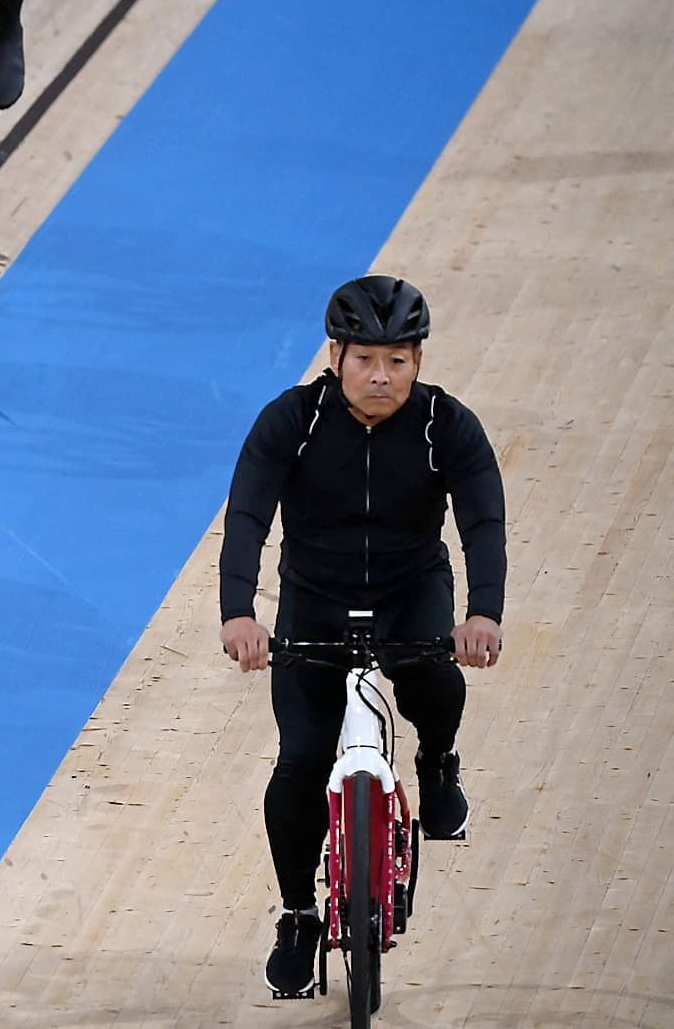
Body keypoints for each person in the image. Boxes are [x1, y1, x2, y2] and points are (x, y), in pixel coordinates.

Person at [218, 275, 507, 996]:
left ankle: (438, 762)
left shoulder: (449, 425)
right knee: (301, 758)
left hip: (411, 589)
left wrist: (483, 614)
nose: (382, 376)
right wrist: (239, 613)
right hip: (315, 600)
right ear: (336, 355)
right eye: (366, 360)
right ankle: (296, 914)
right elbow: (249, 513)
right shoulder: (292, 420)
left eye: (399, 361)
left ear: (418, 359)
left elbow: (482, 522)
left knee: (433, 676)